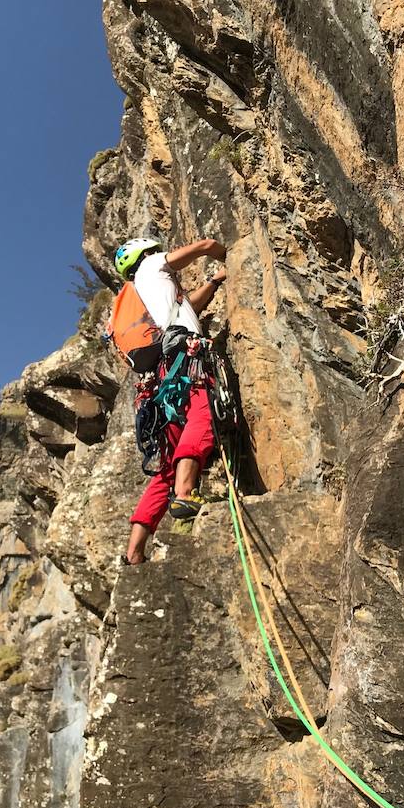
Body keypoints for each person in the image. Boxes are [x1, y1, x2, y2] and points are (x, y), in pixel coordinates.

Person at [114, 237, 228, 565]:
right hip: (185, 357)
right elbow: (202, 246)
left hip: (163, 379)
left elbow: (189, 307)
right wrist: (225, 253)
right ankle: (185, 493)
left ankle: (135, 550)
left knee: (166, 464)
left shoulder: (146, 291)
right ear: (145, 253)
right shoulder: (152, 265)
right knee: (202, 416)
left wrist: (213, 282)